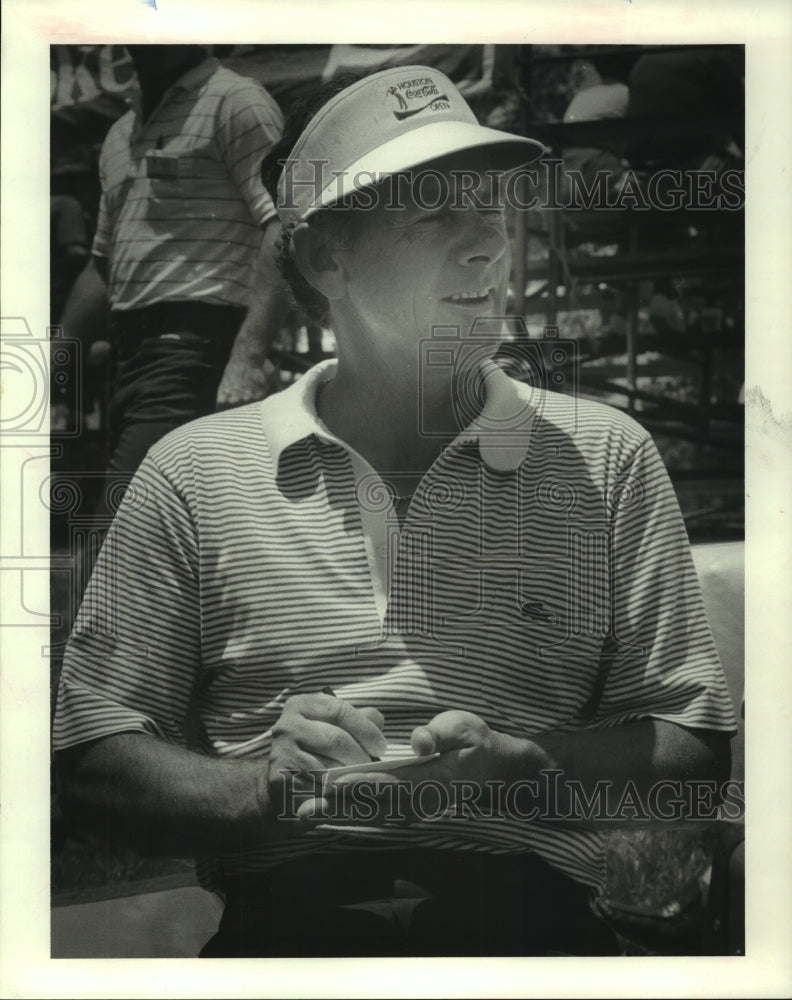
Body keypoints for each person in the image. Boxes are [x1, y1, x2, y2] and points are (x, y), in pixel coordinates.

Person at [53, 66, 737, 958]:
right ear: (320, 257)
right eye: (436, 214)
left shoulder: (605, 457)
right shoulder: (194, 473)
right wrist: (265, 785)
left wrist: (535, 770)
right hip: (286, 940)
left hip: (534, 938)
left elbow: (693, 759)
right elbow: (91, 765)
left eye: (490, 208)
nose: (490, 243)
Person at [59, 45, 289, 517]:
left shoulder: (236, 101)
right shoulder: (121, 133)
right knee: (177, 543)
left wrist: (247, 357)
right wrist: (55, 361)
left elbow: (285, 225)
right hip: (132, 361)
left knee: (119, 537)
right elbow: (102, 264)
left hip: (194, 355)